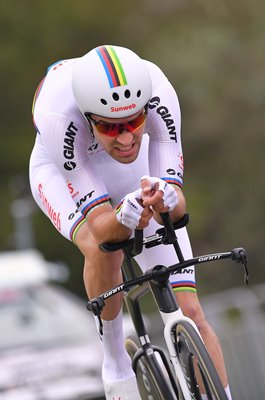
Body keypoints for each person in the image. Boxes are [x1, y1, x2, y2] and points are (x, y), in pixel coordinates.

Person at [29, 44, 232, 400]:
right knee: (102, 248)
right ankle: (114, 359)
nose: (125, 138)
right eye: (109, 126)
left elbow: (179, 211)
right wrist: (123, 217)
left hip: (132, 173)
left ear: (145, 108)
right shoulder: (59, 116)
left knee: (193, 313)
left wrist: (167, 198)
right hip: (64, 170)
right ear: (90, 117)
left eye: (134, 122)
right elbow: (104, 229)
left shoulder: (159, 92)